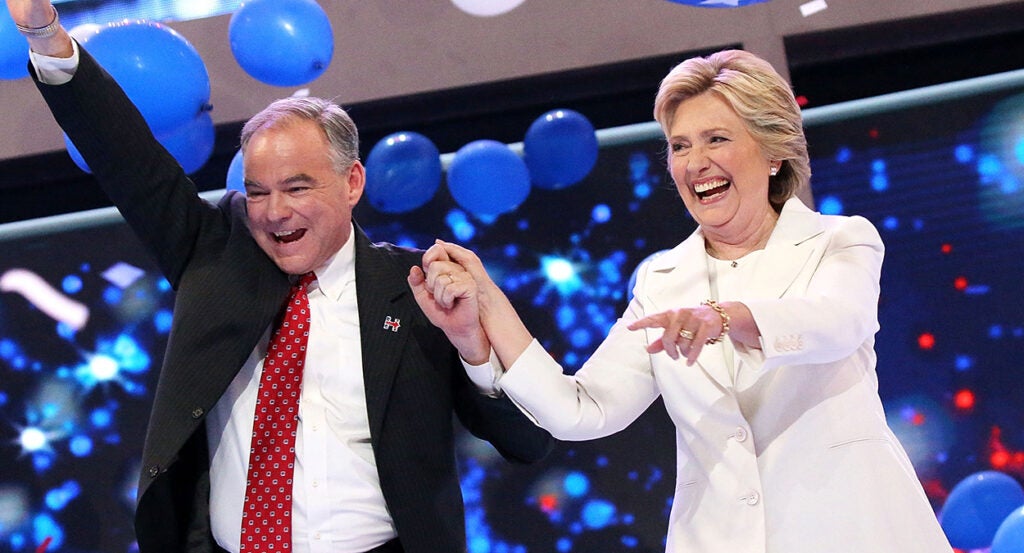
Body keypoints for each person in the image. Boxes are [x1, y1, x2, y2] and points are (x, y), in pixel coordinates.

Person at [7, 1, 553, 552]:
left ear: (352, 183)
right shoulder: (214, 252)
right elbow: (126, 157)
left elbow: (528, 441)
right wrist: (46, 36)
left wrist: (474, 348)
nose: (274, 212)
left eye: (297, 188)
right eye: (259, 191)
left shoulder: (418, 288)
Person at [411, 49, 955, 552]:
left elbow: (838, 323)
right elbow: (583, 410)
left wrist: (726, 318)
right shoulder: (663, 281)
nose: (695, 163)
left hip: (854, 531)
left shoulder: (839, 241)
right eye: (679, 145)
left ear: (772, 152)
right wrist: (488, 302)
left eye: (716, 139)